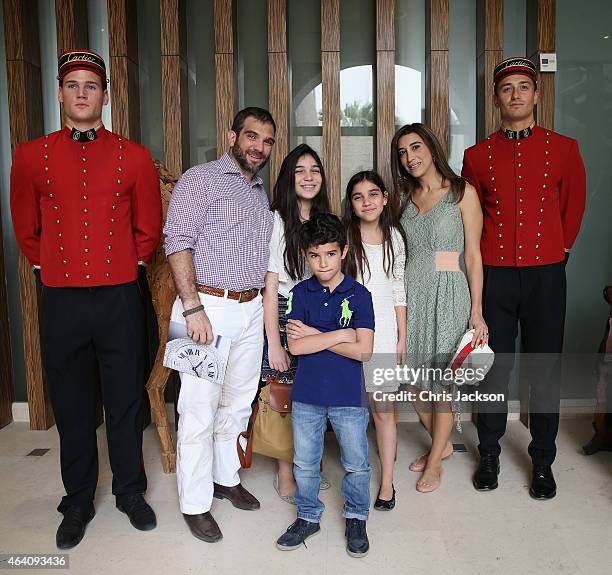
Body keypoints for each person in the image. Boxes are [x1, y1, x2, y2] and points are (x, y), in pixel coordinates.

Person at [10, 50, 161, 549]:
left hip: (119, 296)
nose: (80, 93)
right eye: (72, 85)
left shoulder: (134, 155)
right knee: (73, 405)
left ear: (104, 96)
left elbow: (148, 228)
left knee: (122, 401)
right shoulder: (31, 156)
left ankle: (130, 492)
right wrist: (48, 265)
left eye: (90, 86)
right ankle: (76, 500)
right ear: (59, 93)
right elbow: (26, 228)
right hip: (62, 299)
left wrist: (127, 267)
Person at [461, 57, 586, 499]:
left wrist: (560, 250)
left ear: (536, 94)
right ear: (496, 99)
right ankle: (490, 453)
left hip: (546, 276)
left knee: (545, 369)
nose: (514, 94)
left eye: (522, 87)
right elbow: (470, 218)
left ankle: (542, 460)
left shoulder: (565, 148)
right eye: (506, 88)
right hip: (495, 274)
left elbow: (573, 204)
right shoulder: (476, 156)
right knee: (495, 368)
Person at [164, 107, 276, 542]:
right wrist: (192, 308)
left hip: (249, 310)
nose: (259, 148)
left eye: (267, 141)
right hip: (205, 307)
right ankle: (194, 503)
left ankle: (224, 478)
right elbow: (177, 241)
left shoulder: (259, 191)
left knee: (238, 403)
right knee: (197, 410)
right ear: (232, 135)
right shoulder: (201, 178)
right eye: (252, 137)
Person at [391, 122, 488, 493]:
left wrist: (476, 310)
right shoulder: (404, 198)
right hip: (410, 293)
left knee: (441, 384)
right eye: (402, 152)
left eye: (415, 148)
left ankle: (435, 463)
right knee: (413, 376)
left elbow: (474, 256)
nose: (409, 157)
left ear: (431, 148)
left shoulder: (462, 193)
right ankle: (442, 442)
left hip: (448, 291)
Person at [275, 213, 375, 558]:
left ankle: (356, 516)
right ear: (305, 254)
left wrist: (317, 335)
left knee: (357, 462)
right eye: (315, 255)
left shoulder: (359, 295)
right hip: (307, 395)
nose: (323, 262)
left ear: (344, 251)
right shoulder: (300, 294)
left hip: (348, 394)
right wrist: (339, 334)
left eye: (330, 254)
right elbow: (296, 346)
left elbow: (363, 350)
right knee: (304, 461)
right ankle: (307, 515)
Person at [261, 144, 332, 503]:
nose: (308, 177)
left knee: (316, 393)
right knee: (285, 392)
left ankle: (311, 463)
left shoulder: (326, 220)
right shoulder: (276, 219)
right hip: (289, 311)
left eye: (314, 170)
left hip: (322, 312)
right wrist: (275, 342)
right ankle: (286, 471)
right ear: (289, 178)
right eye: (300, 170)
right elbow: (270, 288)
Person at [342, 170, 407, 510]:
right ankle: (355, 475)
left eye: (372, 194)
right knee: (352, 410)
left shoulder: (395, 236)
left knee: (384, 410)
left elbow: (398, 288)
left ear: (384, 198)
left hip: (384, 332)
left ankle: (387, 483)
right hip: (350, 331)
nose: (366, 202)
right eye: (358, 196)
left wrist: (402, 336)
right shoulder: (344, 238)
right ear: (351, 205)